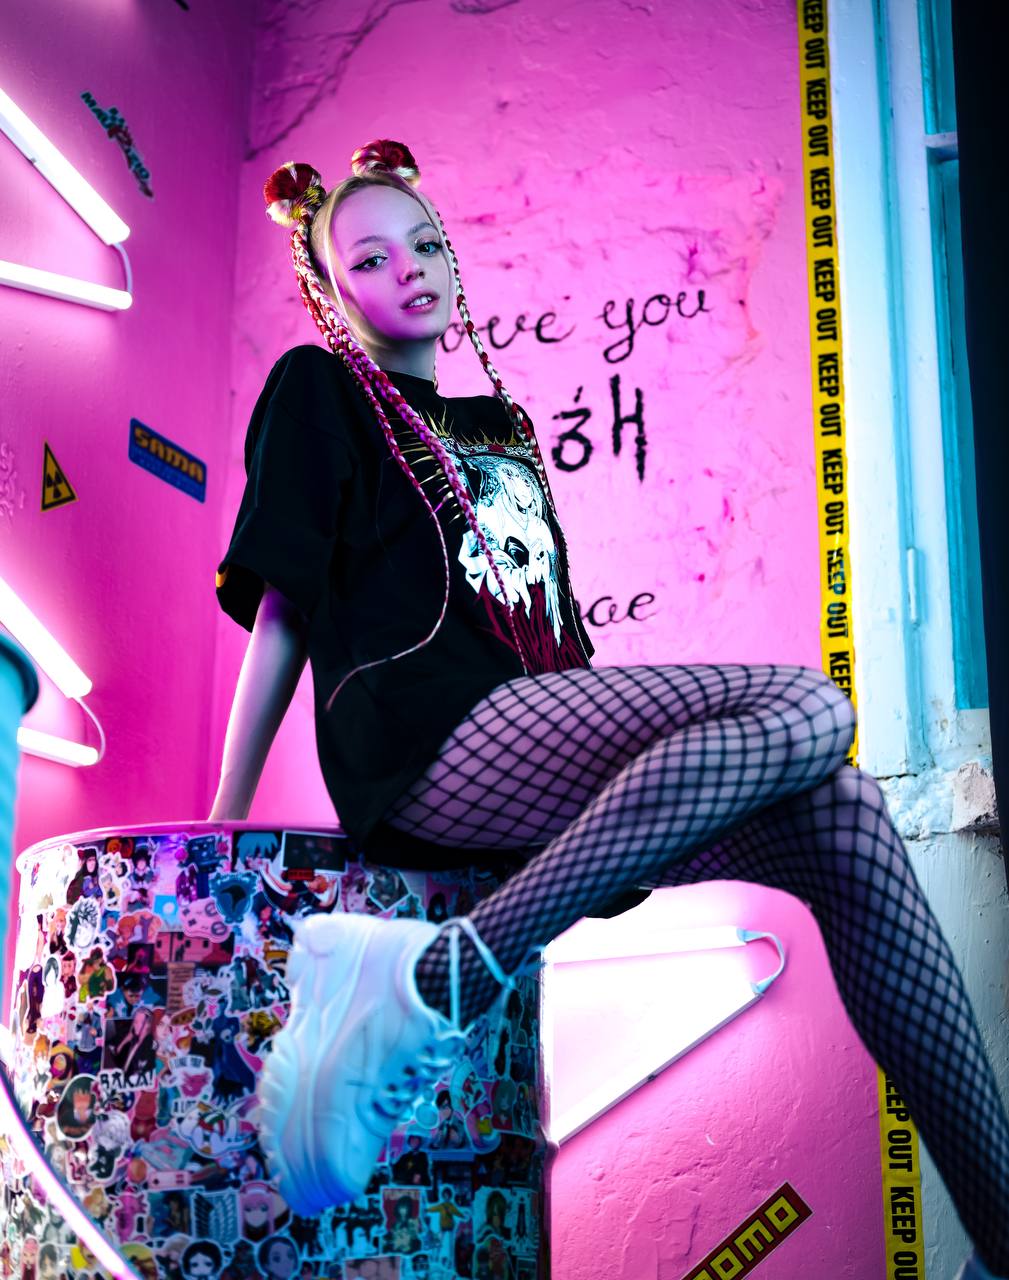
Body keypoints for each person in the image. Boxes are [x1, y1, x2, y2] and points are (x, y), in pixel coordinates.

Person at [211, 139, 1009, 1280]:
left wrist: (623, 763)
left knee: (845, 815)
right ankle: (427, 981)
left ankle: (999, 1236)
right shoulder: (318, 386)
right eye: (370, 258)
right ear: (333, 290)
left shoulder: (501, 430)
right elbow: (285, 607)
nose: (410, 269)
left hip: (531, 738)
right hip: (421, 731)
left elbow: (551, 631)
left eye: (425, 244)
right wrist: (225, 811)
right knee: (809, 707)